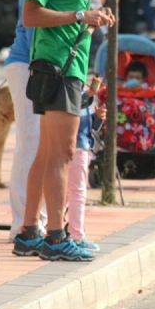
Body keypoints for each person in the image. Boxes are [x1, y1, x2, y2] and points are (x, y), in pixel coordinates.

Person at [13, 0, 115, 261]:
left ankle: (29, 231)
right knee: (64, 152)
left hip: (70, 67)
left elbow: (75, 23)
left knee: (47, 151)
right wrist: (80, 16)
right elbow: (30, 15)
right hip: (55, 68)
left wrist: (92, 21)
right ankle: (56, 237)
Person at [3, 0, 57, 243]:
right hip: (27, 64)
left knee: (46, 144)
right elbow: (30, 23)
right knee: (31, 140)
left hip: (46, 65)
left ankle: (39, 220)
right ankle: (24, 223)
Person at [66, 77, 105, 252]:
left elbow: (90, 126)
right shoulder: (76, 93)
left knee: (67, 193)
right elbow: (76, 113)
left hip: (81, 146)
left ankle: (58, 231)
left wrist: (97, 118)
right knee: (77, 193)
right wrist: (88, 95)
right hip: (77, 148)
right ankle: (76, 235)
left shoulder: (84, 95)